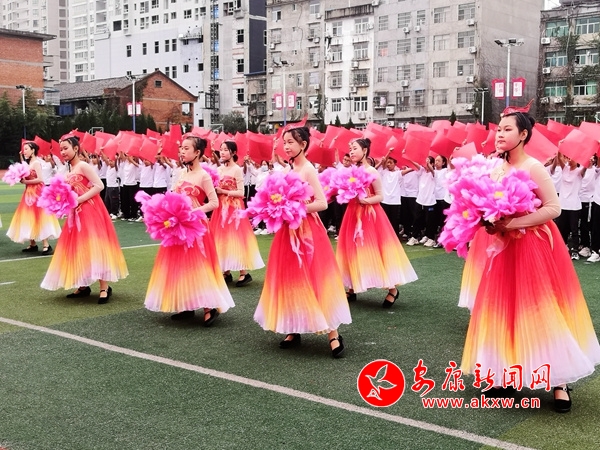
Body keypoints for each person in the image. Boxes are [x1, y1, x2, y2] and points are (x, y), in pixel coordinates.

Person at [460, 109, 600, 413]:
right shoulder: (495, 168)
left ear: (523, 135)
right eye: (499, 129)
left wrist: (513, 223)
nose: (500, 134)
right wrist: (487, 221)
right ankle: (505, 376)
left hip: (531, 247)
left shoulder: (533, 167)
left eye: (507, 129)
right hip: (501, 249)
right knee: (503, 309)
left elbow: (553, 208)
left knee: (541, 309)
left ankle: (560, 380)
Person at [254, 127, 351, 357]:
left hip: (308, 233)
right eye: (285, 142)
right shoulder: (289, 169)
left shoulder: (308, 169)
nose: (286, 146)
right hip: (287, 232)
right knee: (290, 278)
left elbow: (322, 203)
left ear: (304, 144)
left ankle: (333, 333)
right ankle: (293, 327)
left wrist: (294, 208)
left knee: (315, 277)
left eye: (291, 142)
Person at [144, 135, 234, 325]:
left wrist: (192, 212)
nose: (182, 152)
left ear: (197, 152)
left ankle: (209, 307)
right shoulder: (181, 174)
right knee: (179, 264)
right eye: (181, 148)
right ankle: (185, 304)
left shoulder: (203, 176)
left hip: (196, 228)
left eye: (186, 148)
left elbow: (214, 203)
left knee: (198, 264)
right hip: (177, 228)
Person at [41, 135, 128, 303]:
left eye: (66, 148)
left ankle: (104, 287)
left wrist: (79, 199)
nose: (63, 152)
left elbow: (99, 186)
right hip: (76, 214)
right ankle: (82, 285)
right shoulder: (69, 171)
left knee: (96, 246)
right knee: (78, 246)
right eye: (61, 149)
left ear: (76, 148)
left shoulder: (83, 166)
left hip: (91, 211)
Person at [336, 138, 418, 307]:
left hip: (370, 217)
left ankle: (392, 289)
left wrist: (364, 200)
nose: (351, 152)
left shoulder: (372, 171)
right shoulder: (350, 171)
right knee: (352, 249)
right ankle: (352, 287)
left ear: (365, 150)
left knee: (374, 251)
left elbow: (380, 196)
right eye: (350, 149)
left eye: (355, 148)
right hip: (352, 215)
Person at [209, 141, 264, 287]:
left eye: (225, 150)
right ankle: (226, 271)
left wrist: (223, 191)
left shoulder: (237, 170)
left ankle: (243, 272)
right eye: (221, 149)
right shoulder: (219, 169)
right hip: (220, 209)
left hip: (234, 209)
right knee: (221, 238)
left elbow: (241, 192)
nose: (222, 152)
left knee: (236, 238)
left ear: (233, 152)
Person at [7, 141, 61, 255]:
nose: (24, 151)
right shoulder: (29, 163)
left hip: (37, 193)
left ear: (33, 150)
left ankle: (46, 245)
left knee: (40, 216)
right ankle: (32, 244)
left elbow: (40, 179)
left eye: (26, 149)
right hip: (28, 193)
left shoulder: (36, 163)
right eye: (24, 149)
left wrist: (26, 181)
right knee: (28, 217)